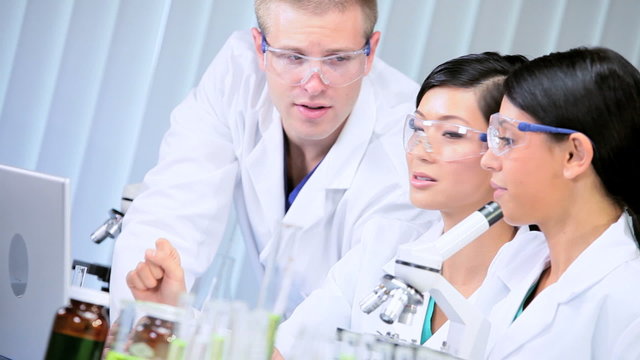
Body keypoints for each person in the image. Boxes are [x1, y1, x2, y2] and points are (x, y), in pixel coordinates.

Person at [110, 0, 431, 318]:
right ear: (260, 50)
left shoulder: (408, 145)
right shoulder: (238, 77)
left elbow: (353, 313)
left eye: (337, 59)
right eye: (293, 57)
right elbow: (171, 212)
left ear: (369, 53)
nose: (314, 84)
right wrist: (140, 323)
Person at [273, 52, 535, 359]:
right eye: (420, 128)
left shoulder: (538, 278)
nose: (420, 151)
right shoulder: (383, 244)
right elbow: (288, 349)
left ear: (504, 146)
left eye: (452, 134)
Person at [477, 47, 640, 359]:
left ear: (573, 154)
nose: (487, 160)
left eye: (507, 140)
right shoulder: (518, 257)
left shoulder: (629, 302)